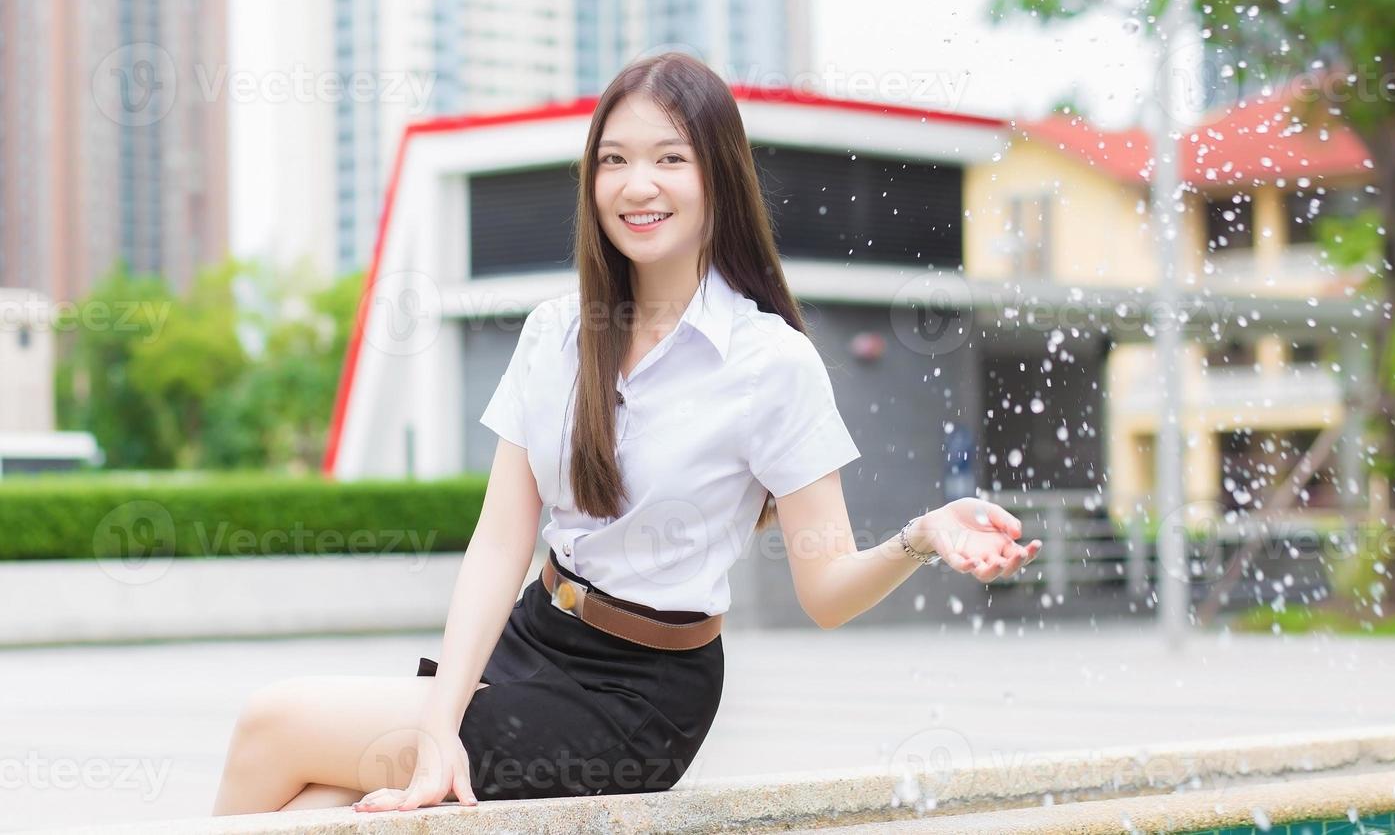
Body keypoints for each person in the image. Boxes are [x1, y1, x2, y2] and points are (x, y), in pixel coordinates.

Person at [210, 51, 1042, 816]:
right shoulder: (555, 333)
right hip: (533, 640)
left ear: (718, 177)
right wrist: (442, 721)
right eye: (614, 160)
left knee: (272, 726)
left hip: (639, 697)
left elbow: (824, 593)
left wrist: (923, 534)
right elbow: (500, 544)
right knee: (317, 805)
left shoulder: (769, 363)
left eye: (669, 158)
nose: (636, 184)